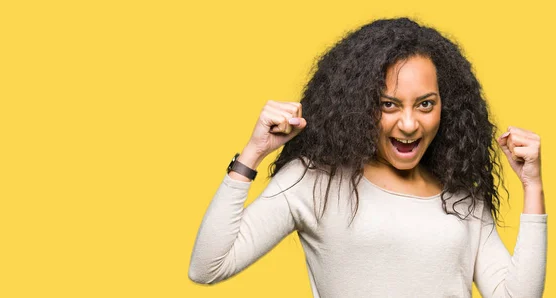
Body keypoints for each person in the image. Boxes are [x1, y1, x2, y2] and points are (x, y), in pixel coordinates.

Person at [188, 17, 547, 297]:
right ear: (360, 107)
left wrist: (532, 185)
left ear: (445, 107)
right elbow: (208, 266)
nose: (408, 124)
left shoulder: (462, 197)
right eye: (388, 105)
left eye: (425, 104)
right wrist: (253, 153)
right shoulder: (314, 181)